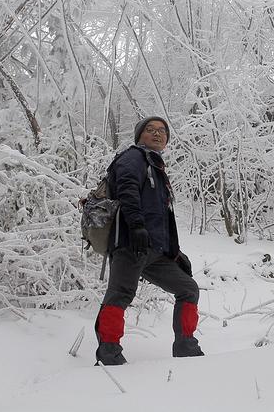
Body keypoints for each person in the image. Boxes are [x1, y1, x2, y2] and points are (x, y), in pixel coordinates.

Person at [94, 116, 204, 365]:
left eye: (162, 131)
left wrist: (175, 254)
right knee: (120, 294)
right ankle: (108, 352)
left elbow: (163, 219)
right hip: (130, 243)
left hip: (154, 251)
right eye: (150, 130)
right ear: (139, 136)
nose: (157, 134)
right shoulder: (133, 158)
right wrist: (136, 225)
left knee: (188, 288)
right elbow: (127, 188)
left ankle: (186, 347)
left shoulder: (156, 168)